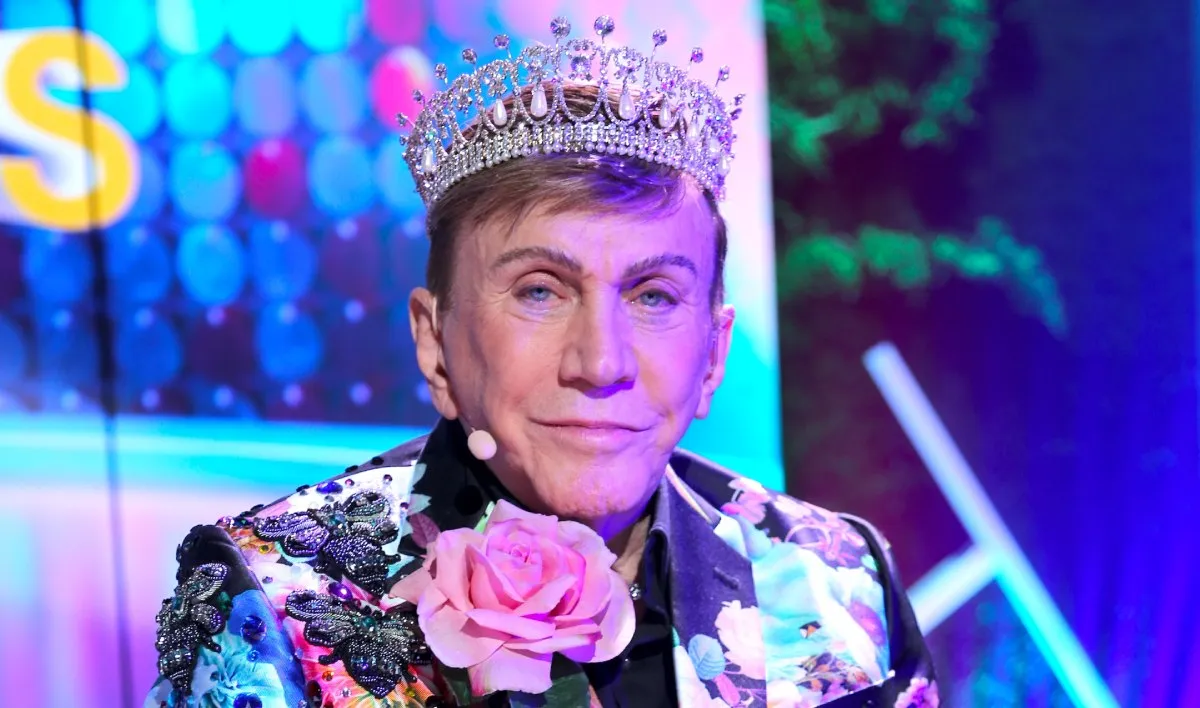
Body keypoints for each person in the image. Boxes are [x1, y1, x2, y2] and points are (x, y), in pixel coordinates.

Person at [146, 17, 936, 708]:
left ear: (714, 354)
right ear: (434, 342)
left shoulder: (836, 579)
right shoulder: (273, 594)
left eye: (654, 296)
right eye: (539, 291)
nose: (601, 361)